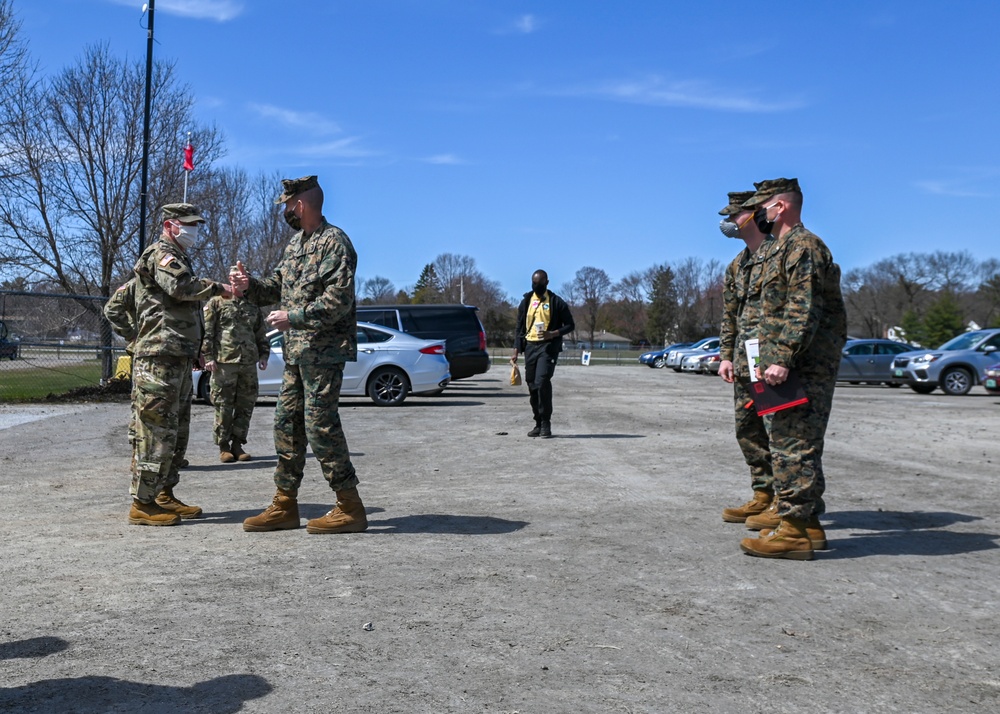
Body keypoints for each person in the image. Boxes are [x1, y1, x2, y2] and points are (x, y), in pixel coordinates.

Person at [231, 175, 367, 534]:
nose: (287, 212)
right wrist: (248, 288)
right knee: (287, 425)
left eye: (289, 206)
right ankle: (284, 504)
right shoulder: (296, 245)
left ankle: (350, 505)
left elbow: (338, 300)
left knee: (320, 426)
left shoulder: (334, 243)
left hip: (323, 352)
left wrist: (294, 318)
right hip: (296, 354)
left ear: (301, 205)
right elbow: (276, 287)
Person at [736, 178, 847, 560]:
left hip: (802, 363)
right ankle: (808, 522)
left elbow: (804, 307)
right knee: (791, 442)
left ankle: (794, 530)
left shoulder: (804, 247)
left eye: (762, 205)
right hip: (782, 362)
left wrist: (782, 356)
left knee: (793, 444)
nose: (758, 213)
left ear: (780, 207)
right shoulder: (780, 248)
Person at [129, 203, 238, 526]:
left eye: (196, 224)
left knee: (176, 431)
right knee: (155, 430)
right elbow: (180, 287)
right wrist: (220, 288)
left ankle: (163, 493)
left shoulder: (180, 258)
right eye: (187, 224)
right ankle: (142, 502)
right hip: (158, 358)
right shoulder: (161, 255)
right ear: (169, 225)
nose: (193, 230)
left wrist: (197, 349)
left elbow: (184, 310)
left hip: (176, 357)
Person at [716, 191, 777, 524]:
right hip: (743, 363)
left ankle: (785, 501)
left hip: (772, 361)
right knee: (748, 431)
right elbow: (730, 315)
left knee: (778, 432)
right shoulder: (737, 265)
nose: (728, 223)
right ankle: (762, 494)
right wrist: (726, 355)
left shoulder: (777, 255)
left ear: (754, 214)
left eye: (734, 215)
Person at [201, 290, 270, 463]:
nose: (237, 282)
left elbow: (260, 332)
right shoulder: (217, 302)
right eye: (234, 278)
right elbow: (207, 330)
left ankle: (238, 445)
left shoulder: (253, 305)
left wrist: (264, 355)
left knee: (245, 404)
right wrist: (208, 356)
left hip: (248, 362)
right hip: (224, 362)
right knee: (223, 404)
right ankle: (224, 446)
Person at [510, 270, 575, 438]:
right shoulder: (526, 301)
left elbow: (570, 325)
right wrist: (516, 349)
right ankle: (538, 423)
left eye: (539, 283)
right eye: (533, 282)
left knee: (542, 381)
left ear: (547, 282)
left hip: (547, 347)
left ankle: (546, 423)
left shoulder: (556, 302)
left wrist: (552, 334)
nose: (536, 286)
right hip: (530, 347)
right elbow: (519, 327)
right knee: (531, 384)